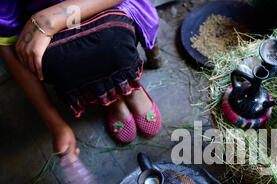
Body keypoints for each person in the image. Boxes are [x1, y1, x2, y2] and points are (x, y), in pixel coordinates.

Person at [0, 0, 163, 162]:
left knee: (110, 38)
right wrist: (56, 125)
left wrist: (49, 20)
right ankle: (112, 96)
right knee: (62, 56)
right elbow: (8, 42)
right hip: (50, 31)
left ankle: (130, 87)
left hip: (105, 6)